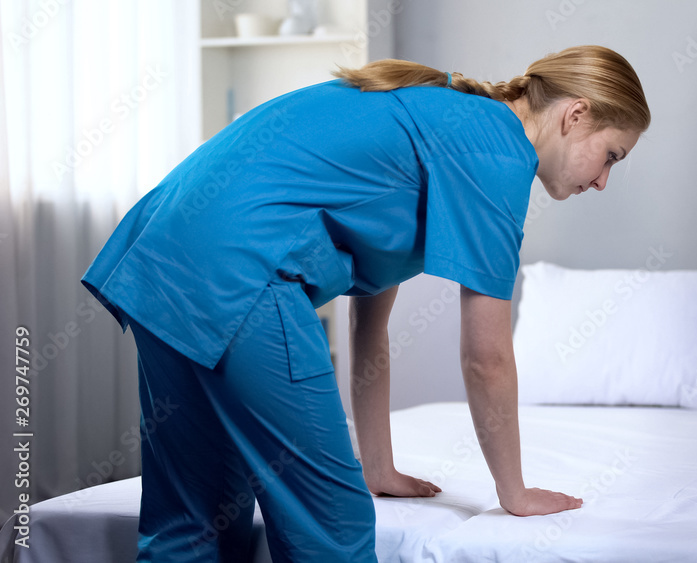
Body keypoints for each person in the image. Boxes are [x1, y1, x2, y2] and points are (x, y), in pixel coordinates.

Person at [81, 44, 650, 562]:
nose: (602, 181)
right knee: (334, 528)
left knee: (193, 522)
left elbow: (368, 325)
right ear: (575, 116)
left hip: (160, 255)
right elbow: (487, 359)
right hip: (239, 271)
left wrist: (378, 467)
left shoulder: (444, 115)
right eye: (611, 156)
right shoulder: (497, 150)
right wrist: (515, 493)